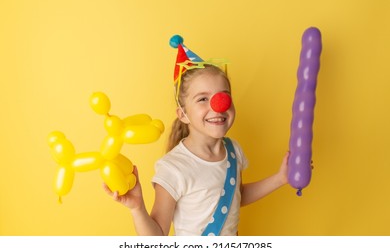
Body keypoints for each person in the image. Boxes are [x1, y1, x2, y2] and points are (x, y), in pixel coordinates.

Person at [103, 35, 289, 236]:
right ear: (183, 114)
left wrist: (281, 178)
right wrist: (137, 209)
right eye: (202, 98)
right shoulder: (174, 168)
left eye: (223, 96)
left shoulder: (234, 150)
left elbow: (236, 195)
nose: (218, 106)